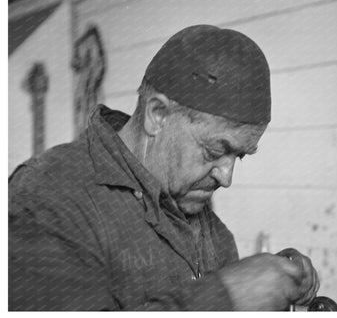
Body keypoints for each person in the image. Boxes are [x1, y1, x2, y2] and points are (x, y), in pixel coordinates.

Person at [9, 25, 319, 311]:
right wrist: (226, 295)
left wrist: (275, 284)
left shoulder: (199, 213)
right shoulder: (48, 198)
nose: (226, 177)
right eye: (215, 150)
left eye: (240, 156)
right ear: (157, 114)